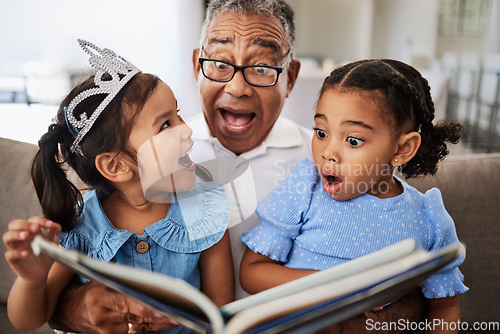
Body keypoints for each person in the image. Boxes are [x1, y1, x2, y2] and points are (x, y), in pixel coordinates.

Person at [49, 1, 428, 333]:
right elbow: (65, 267)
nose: (237, 87)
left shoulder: (331, 161)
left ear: (290, 77)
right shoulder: (147, 156)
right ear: (197, 66)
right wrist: (76, 307)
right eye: (218, 64)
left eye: (262, 68)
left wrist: (389, 313)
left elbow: (409, 267)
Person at [2, 39, 233, 334]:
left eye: (178, 114)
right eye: (165, 125)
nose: (187, 129)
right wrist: (33, 280)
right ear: (116, 166)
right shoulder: (82, 225)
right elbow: (27, 320)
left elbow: (220, 314)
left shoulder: (206, 210)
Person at [240, 59, 468, 333]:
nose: (328, 153)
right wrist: (335, 288)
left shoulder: (428, 217)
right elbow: (252, 271)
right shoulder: (303, 188)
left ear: (403, 148)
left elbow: (444, 307)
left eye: (353, 140)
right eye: (321, 133)